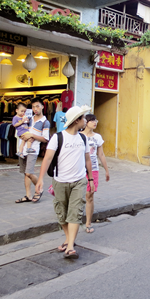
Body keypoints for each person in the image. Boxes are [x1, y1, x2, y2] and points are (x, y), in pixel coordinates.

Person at [35, 106, 93, 259]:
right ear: (76, 121)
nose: (85, 121)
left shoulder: (83, 138)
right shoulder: (58, 137)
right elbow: (47, 159)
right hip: (60, 181)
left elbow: (87, 160)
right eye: (83, 118)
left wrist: (91, 179)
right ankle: (68, 239)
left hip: (79, 181)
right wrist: (40, 179)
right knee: (62, 214)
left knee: (75, 213)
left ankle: (71, 246)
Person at [15, 98, 50, 204]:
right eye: (33, 106)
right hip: (23, 148)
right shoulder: (28, 119)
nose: (35, 109)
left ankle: (39, 189)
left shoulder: (45, 122)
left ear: (43, 106)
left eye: (38, 106)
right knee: (25, 173)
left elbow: (45, 139)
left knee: (29, 172)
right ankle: (28, 195)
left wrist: (32, 135)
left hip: (33, 149)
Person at [80, 114, 110, 233]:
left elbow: (101, 155)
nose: (95, 122)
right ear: (86, 122)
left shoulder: (97, 137)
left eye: (95, 120)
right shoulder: (79, 136)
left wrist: (106, 170)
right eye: (92, 120)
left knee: (89, 195)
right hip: (80, 168)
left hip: (94, 169)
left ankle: (88, 222)